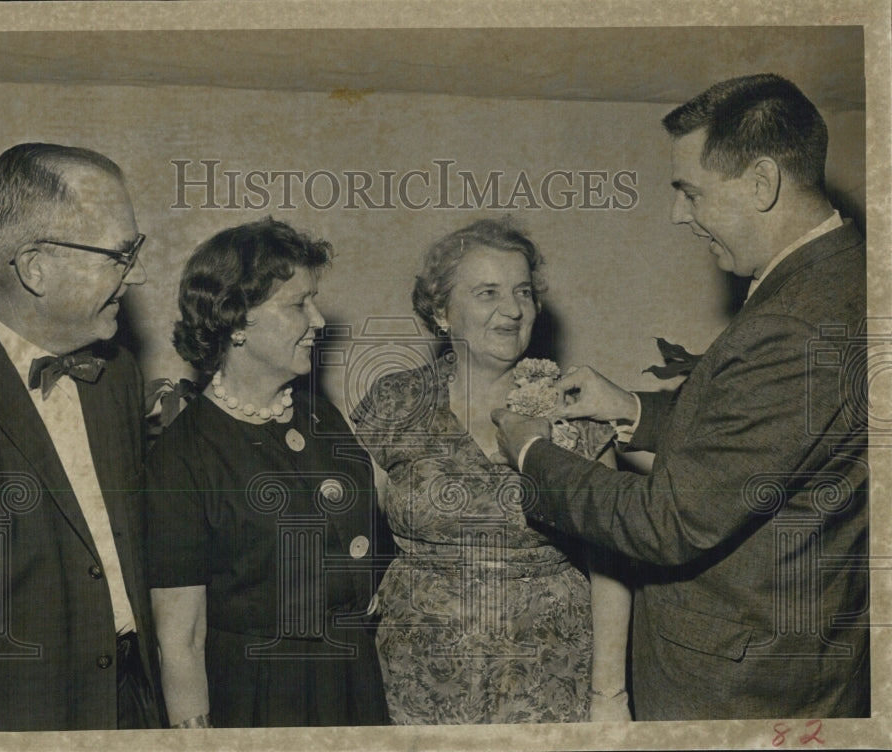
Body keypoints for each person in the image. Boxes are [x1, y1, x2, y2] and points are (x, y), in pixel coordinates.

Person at [493, 73, 869, 720]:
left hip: (736, 686)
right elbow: (771, 442)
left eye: (691, 192)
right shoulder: (844, 277)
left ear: (761, 182)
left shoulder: (792, 324)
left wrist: (529, 452)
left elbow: (665, 523)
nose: (678, 214)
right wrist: (634, 411)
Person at [350, 218, 632, 724]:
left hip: (549, 676)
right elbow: (349, 533)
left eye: (523, 291)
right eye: (487, 292)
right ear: (441, 311)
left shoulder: (574, 407)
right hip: (418, 678)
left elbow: (611, 562)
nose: (512, 309)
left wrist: (609, 695)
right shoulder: (397, 402)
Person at [0, 143, 164, 730]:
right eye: (120, 253)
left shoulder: (117, 375)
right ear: (34, 267)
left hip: (132, 705)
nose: (140, 274)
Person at [145, 217, 390, 728]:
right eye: (298, 304)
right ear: (236, 320)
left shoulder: (319, 415)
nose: (319, 320)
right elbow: (181, 640)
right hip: (261, 692)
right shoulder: (182, 456)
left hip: (353, 676)